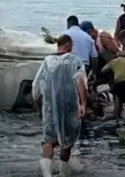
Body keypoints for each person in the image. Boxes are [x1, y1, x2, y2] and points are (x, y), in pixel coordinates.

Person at [32, 34, 87, 177]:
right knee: (67, 138)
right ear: (68, 44)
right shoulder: (75, 60)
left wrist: (36, 100)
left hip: (50, 104)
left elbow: (36, 84)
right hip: (69, 104)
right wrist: (83, 104)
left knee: (49, 138)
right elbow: (80, 81)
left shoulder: (48, 60)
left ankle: (47, 174)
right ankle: (63, 171)